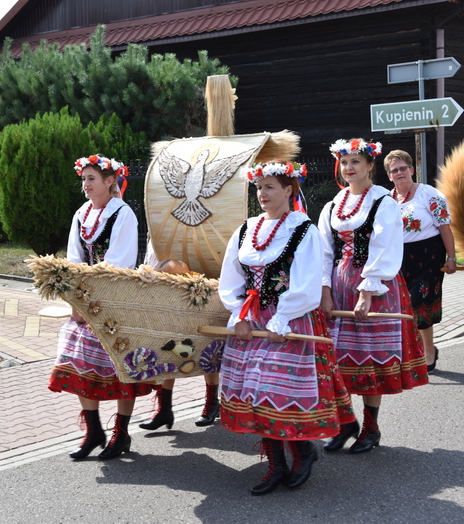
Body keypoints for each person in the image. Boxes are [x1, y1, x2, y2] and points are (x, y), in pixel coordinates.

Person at [218, 161, 354, 496]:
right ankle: (276, 463)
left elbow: (307, 283)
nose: (262, 194)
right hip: (254, 321)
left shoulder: (303, 230)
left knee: (278, 391)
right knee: (254, 393)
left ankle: (302, 450)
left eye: (270, 187)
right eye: (259, 187)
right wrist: (240, 315)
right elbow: (232, 277)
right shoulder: (246, 230)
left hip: (290, 321)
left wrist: (282, 317)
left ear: (289, 190)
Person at [319, 138, 428, 454]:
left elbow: (385, 248)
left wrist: (366, 293)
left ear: (370, 166)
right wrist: (325, 292)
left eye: (356, 162)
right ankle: (345, 423)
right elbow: (325, 253)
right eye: (345, 162)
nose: (349, 168)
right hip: (338, 288)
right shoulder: (331, 206)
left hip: (376, 287)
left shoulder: (384, 202)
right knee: (337, 359)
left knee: (369, 359)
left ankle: (371, 427)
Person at [48, 154, 157, 459]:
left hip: (114, 297)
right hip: (86, 298)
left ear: (110, 181)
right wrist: (76, 297)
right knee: (78, 360)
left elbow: (119, 261)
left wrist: (90, 290)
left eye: (91, 179)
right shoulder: (81, 214)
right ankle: (93, 430)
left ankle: (121, 434)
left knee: (122, 366)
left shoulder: (122, 214)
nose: (85, 185)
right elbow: (74, 259)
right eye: (83, 179)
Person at [384, 150, 457, 371]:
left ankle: (428, 350)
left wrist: (452, 258)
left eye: (403, 168)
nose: (399, 173)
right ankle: (418, 350)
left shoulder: (429, 194)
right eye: (394, 170)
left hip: (429, 256)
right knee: (404, 307)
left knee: (419, 304)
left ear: (411, 170)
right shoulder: (387, 200)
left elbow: (445, 228)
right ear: (389, 176)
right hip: (400, 258)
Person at [136, 255, 222, 431]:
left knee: (209, 350)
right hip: (171, 309)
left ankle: (212, 403)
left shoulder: (196, 282)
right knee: (167, 353)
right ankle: (164, 409)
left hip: (199, 300)